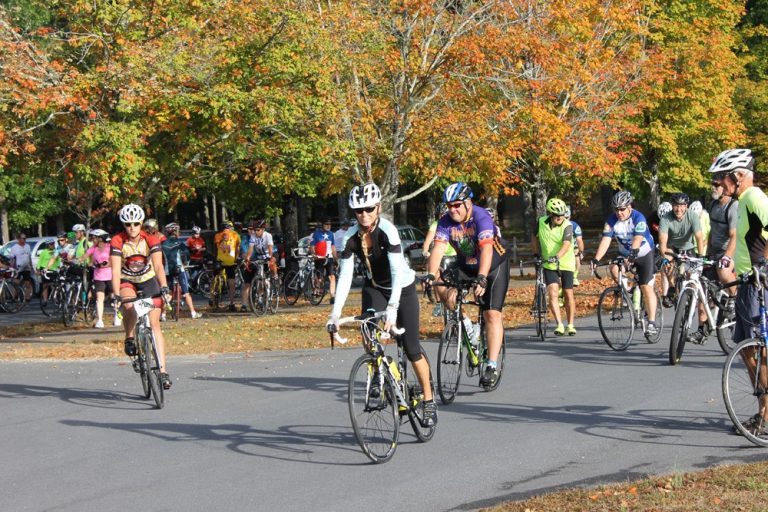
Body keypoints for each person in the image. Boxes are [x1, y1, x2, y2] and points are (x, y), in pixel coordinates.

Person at [326, 182, 437, 427]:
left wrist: (393, 308)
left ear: (378, 207)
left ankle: (428, 400)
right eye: (358, 211)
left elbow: (397, 272)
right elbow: (344, 277)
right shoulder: (350, 237)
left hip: (402, 288)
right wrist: (334, 314)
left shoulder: (388, 231)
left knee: (411, 347)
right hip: (375, 287)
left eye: (368, 209)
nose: (364, 215)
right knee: (368, 328)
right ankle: (378, 373)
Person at [425, 182, 510, 387]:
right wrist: (429, 275)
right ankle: (468, 326)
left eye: (456, 205)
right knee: (441, 286)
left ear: (468, 203)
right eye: (449, 206)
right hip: (467, 264)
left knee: (491, 314)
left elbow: (487, 251)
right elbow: (437, 250)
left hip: (494, 265)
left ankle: (491, 365)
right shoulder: (445, 222)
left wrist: (481, 277)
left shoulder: (481, 217)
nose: (452, 210)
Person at [713, 148, 768, 434]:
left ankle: (764, 413)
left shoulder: (754, 197)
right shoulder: (743, 202)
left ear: (737, 176)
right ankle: (763, 411)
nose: (719, 184)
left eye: (722, 179)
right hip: (747, 281)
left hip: (758, 282)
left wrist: (765, 265)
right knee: (748, 350)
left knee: (757, 349)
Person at [110, 203, 172, 390]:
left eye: (136, 224)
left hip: (148, 279)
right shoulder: (117, 240)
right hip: (127, 280)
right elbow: (114, 270)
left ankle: (162, 372)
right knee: (129, 306)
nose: (132, 228)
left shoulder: (151, 239)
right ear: (124, 225)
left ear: (141, 223)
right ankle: (130, 337)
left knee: (154, 325)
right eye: (128, 224)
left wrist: (164, 287)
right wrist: (115, 295)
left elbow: (159, 266)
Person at [591, 191, 659, 336]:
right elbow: (606, 240)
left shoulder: (638, 218)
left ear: (629, 206)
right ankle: (628, 292)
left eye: (622, 209)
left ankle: (652, 323)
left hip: (644, 253)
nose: (619, 213)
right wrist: (596, 259)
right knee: (614, 268)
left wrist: (632, 256)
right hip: (625, 253)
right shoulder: (611, 220)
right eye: (616, 209)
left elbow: (637, 239)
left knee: (646, 286)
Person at [532, 198, 577, 336]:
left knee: (568, 294)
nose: (560, 218)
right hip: (549, 264)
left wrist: (557, 256)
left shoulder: (567, 225)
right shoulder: (540, 222)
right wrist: (535, 253)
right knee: (552, 293)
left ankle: (570, 324)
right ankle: (559, 324)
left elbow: (566, 244)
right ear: (550, 214)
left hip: (566, 263)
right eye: (557, 215)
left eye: (562, 214)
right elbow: (534, 237)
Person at [658, 192, 706, 307]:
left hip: (688, 247)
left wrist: (700, 257)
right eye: (676, 205)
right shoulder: (665, 218)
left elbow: (699, 238)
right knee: (667, 266)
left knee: (692, 275)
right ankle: (672, 286)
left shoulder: (692, 216)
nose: (678, 209)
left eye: (681, 206)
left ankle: (691, 296)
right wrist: (665, 257)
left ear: (686, 206)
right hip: (672, 247)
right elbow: (662, 242)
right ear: (672, 206)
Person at [422, 203, 457, 316]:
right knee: (436, 276)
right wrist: (425, 251)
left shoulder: (455, 224)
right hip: (441, 256)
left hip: (454, 255)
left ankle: (456, 300)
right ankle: (438, 303)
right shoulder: (436, 224)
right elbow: (427, 241)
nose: (442, 216)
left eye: (445, 214)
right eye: (440, 214)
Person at [162, 222, 202, 319]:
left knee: (168, 293)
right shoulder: (179, 243)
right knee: (186, 292)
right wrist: (185, 263)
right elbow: (187, 254)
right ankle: (193, 313)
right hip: (179, 269)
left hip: (168, 270)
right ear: (175, 232)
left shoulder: (162, 244)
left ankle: (162, 315)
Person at [81, 229, 114, 328]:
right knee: (100, 298)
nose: (92, 239)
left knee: (113, 297)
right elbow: (85, 256)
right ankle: (100, 320)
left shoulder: (109, 247)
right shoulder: (93, 248)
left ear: (100, 238)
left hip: (110, 275)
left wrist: (104, 265)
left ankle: (117, 314)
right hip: (98, 276)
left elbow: (113, 261)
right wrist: (77, 260)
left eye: (94, 237)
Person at [242, 220, 279, 309]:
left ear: (263, 229)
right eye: (255, 230)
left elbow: (270, 248)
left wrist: (270, 258)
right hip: (260, 256)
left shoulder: (268, 235)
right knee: (261, 279)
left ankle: (275, 277)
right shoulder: (253, 236)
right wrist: (247, 258)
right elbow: (250, 248)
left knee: (272, 263)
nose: (256, 232)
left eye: (258, 230)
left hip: (270, 254)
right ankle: (261, 294)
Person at [213, 220, 241, 311]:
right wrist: (236, 258)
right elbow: (237, 248)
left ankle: (214, 297)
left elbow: (216, 248)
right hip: (231, 261)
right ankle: (231, 303)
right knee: (231, 282)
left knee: (215, 277)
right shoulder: (236, 235)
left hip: (220, 260)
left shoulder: (217, 235)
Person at [310, 219, 337, 304]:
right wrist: (313, 253)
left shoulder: (332, 234)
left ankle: (332, 296)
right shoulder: (316, 234)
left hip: (329, 258)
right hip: (320, 258)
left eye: (330, 224)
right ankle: (315, 293)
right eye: (326, 224)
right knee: (319, 278)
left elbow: (333, 247)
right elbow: (312, 246)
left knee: (332, 277)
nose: (328, 225)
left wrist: (336, 258)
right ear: (322, 225)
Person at [9, 232, 33, 297]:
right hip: (18, 268)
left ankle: (27, 297)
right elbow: (12, 258)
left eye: (25, 238)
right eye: (23, 238)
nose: (25, 240)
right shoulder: (14, 247)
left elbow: (29, 257)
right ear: (19, 239)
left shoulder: (27, 246)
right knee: (16, 283)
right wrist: (12, 267)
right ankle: (15, 296)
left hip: (26, 268)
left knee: (27, 283)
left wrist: (31, 266)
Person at [36, 239, 59, 306]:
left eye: (53, 243)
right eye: (51, 244)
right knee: (45, 285)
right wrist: (38, 270)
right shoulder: (44, 252)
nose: (52, 245)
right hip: (45, 269)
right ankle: (45, 300)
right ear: (47, 245)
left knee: (54, 285)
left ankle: (55, 298)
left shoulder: (56, 251)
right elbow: (40, 261)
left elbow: (58, 260)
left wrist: (58, 267)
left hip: (54, 269)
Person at [566, 206, 584, 286]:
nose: (565, 220)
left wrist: (581, 252)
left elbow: (579, 240)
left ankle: (574, 276)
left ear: (569, 217)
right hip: (562, 246)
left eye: (567, 217)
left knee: (577, 258)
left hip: (574, 247)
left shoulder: (575, 226)